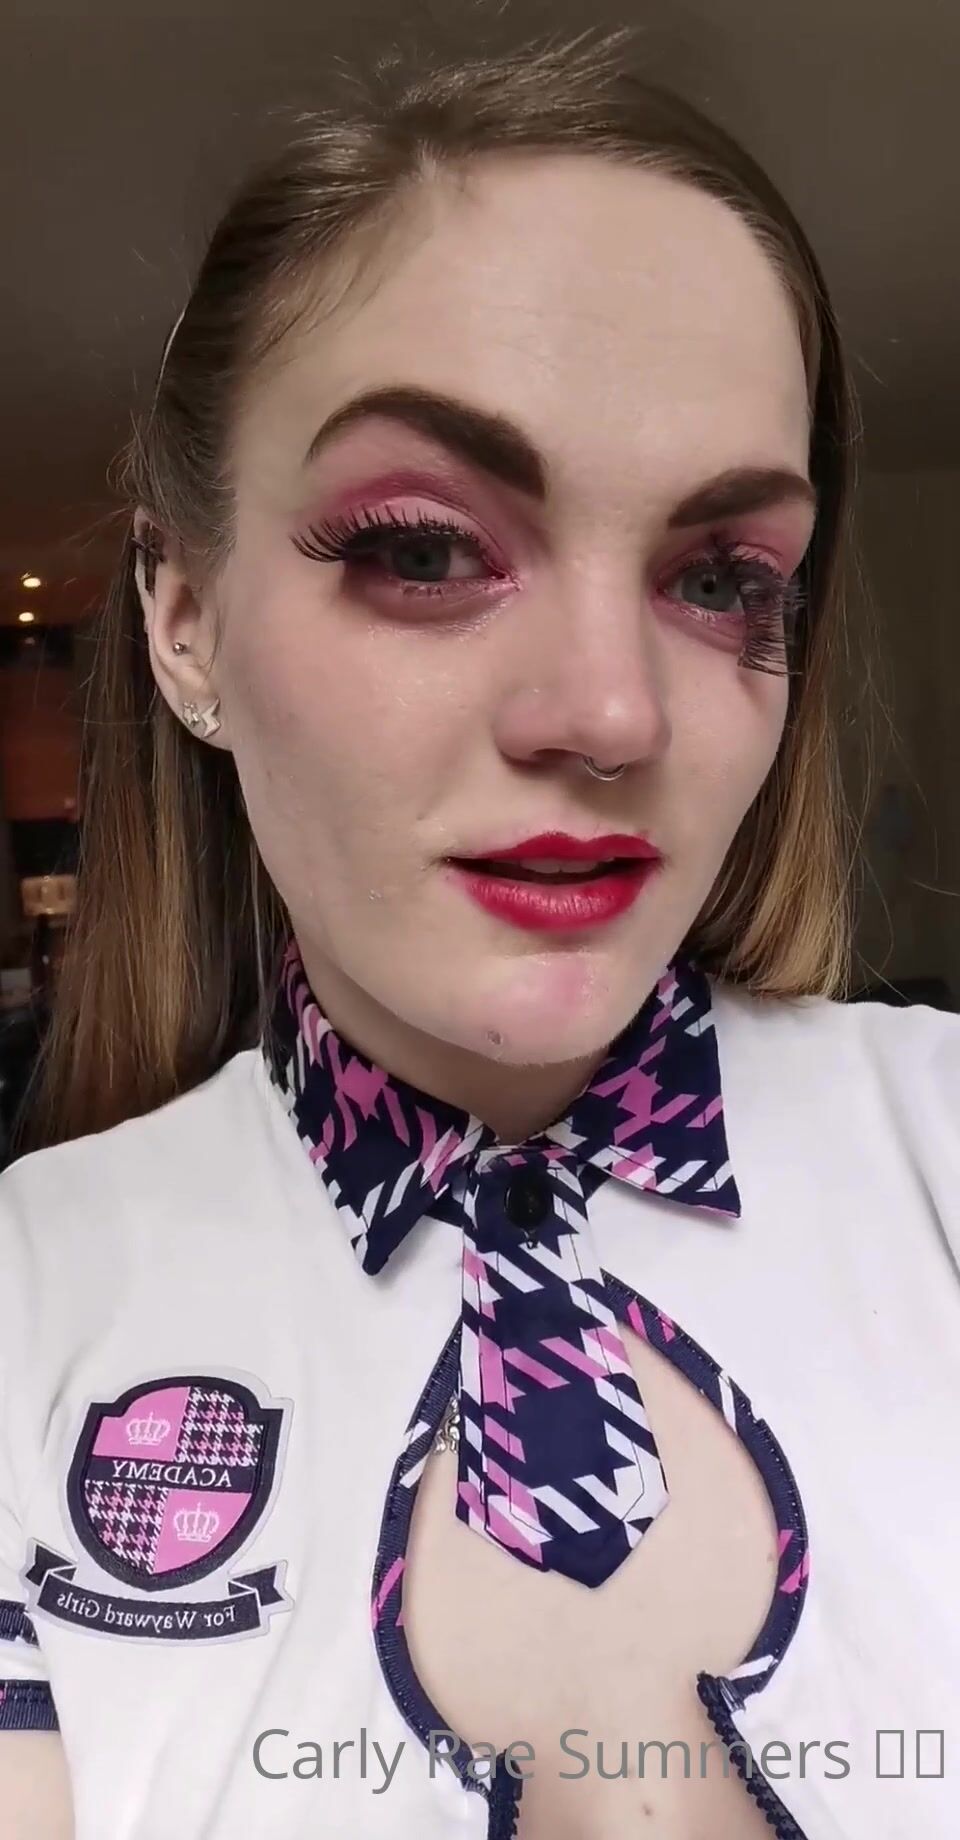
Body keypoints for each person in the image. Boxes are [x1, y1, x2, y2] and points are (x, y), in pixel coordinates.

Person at [1, 23, 957, 1840]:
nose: (610, 712)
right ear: (186, 618)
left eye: (723, 579)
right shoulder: (27, 1305)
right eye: (425, 549)